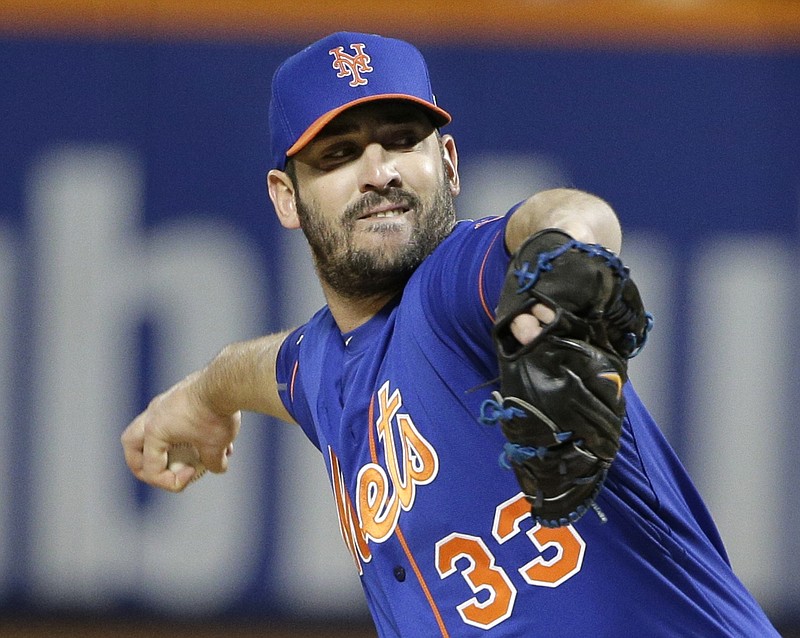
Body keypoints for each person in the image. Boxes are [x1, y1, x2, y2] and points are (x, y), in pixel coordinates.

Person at [121, 31, 778, 637]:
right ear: (286, 198)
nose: (380, 171)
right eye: (340, 154)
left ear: (450, 163)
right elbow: (264, 368)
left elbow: (568, 214)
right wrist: (204, 395)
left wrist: (564, 261)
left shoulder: (457, 290)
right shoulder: (323, 364)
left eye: (403, 139)